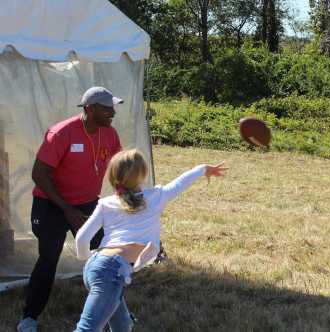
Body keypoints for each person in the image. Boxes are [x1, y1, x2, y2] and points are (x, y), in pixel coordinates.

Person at [73, 149, 227, 332]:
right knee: (87, 329)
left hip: (95, 266)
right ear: (142, 175)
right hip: (111, 272)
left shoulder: (105, 203)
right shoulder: (155, 197)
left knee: (122, 326)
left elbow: (82, 238)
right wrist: (203, 168)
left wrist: (87, 258)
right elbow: (180, 183)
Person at [17, 87, 124, 332]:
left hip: (87, 204)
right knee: (48, 259)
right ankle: (29, 318)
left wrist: (125, 202)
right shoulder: (61, 133)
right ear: (90, 108)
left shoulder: (110, 134)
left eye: (113, 107)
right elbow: (39, 174)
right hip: (51, 205)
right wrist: (67, 209)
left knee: (105, 259)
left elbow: (119, 170)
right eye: (107, 108)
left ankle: (114, 316)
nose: (112, 112)